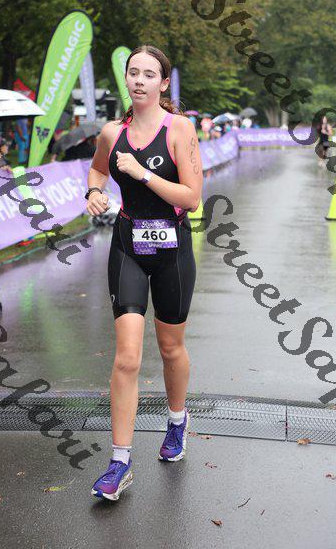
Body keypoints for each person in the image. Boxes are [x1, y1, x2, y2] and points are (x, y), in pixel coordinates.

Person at [87, 45, 202, 501]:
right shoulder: (111, 133)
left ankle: (177, 421)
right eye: (133, 72)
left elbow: (192, 198)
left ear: (163, 83)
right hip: (128, 247)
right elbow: (96, 171)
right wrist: (93, 193)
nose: (138, 80)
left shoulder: (180, 129)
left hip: (172, 250)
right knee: (127, 358)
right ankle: (119, 462)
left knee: (170, 348)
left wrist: (141, 173)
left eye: (148, 74)